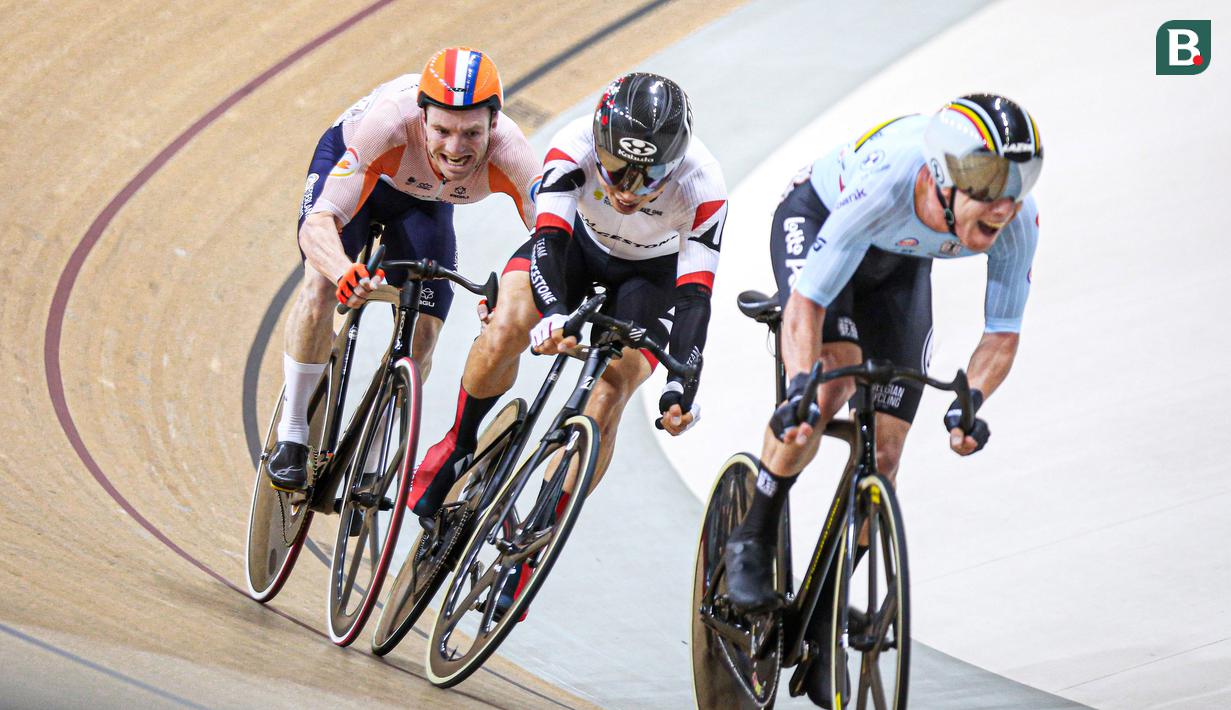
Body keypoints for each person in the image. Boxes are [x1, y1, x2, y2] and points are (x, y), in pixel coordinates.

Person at [723, 94, 1044, 706]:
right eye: (988, 183)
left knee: (887, 454)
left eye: (1020, 182)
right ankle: (752, 535)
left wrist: (968, 402)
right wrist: (800, 386)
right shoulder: (888, 184)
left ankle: (823, 618)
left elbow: (1001, 335)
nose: (1004, 203)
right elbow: (810, 304)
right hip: (819, 220)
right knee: (834, 382)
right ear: (943, 177)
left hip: (899, 263)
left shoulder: (1016, 221)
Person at [409, 71, 727, 525]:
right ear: (598, 144)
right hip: (575, 249)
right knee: (505, 327)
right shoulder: (573, 144)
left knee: (612, 389)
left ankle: (542, 529)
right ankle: (460, 442)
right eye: (616, 169)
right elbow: (549, 242)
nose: (626, 190)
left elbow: (695, 296)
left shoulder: (703, 186)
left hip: (651, 278)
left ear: (675, 166)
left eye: (649, 177)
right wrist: (555, 313)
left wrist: (682, 385)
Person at [265, 47, 540, 491]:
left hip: (425, 205)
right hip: (361, 177)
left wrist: (516, 296)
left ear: (494, 124)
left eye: (472, 133)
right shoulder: (389, 122)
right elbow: (318, 225)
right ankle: (292, 434)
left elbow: (552, 240)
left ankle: (375, 447)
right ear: (421, 118)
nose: (455, 148)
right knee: (318, 289)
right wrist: (342, 272)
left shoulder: (513, 154)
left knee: (426, 330)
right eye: (442, 130)